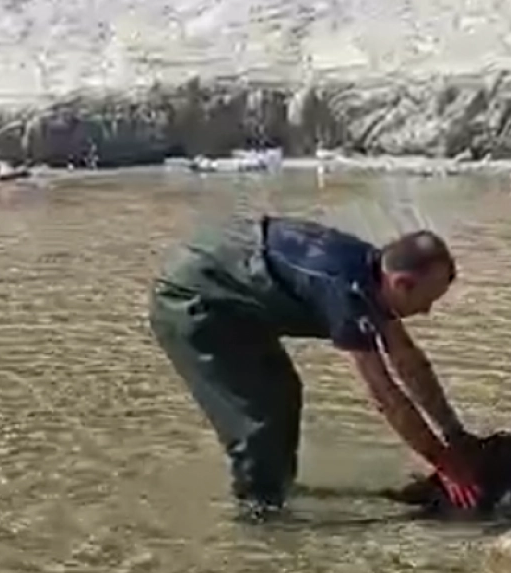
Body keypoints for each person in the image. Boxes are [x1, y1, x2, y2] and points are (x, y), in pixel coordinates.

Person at [147, 214, 484, 520]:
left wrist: (454, 434)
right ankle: (258, 520)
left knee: (283, 392)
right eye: (428, 299)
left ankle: (272, 489)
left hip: (233, 282)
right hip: (195, 296)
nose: (426, 311)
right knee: (260, 413)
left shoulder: (373, 273)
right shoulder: (345, 291)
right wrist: (443, 462)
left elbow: (408, 360)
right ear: (402, 284)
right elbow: (385, 394)